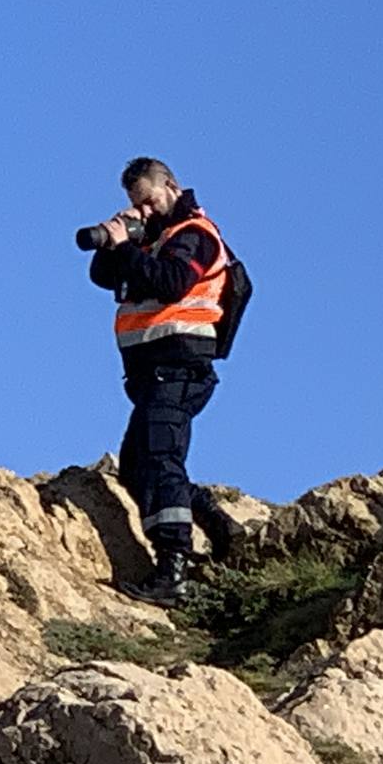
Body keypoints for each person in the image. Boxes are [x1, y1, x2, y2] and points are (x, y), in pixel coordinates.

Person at [88, 157, 228, 606]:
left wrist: (130, 249)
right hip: (152, 375)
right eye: (135, 205)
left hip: (180, 369)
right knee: (136, 467)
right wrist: (116, 240)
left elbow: (171, 285)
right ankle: (219, 527)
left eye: (147, 201)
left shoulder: (195, 236)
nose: (143, 211)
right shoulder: (153, 240)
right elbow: (101, 277)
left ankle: (173, 570)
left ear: (170, 186)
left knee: (160, 456)